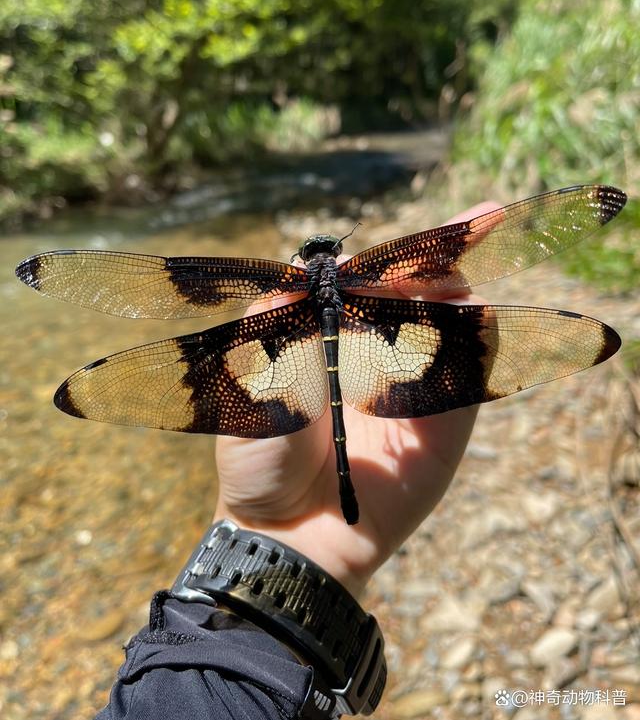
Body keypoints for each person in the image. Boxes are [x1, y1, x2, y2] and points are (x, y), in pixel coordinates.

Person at [94, 201, 498, 720]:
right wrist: (277, 535)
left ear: (305, 264)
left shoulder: (290, 289)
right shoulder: (358, 280)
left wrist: (262, 537)